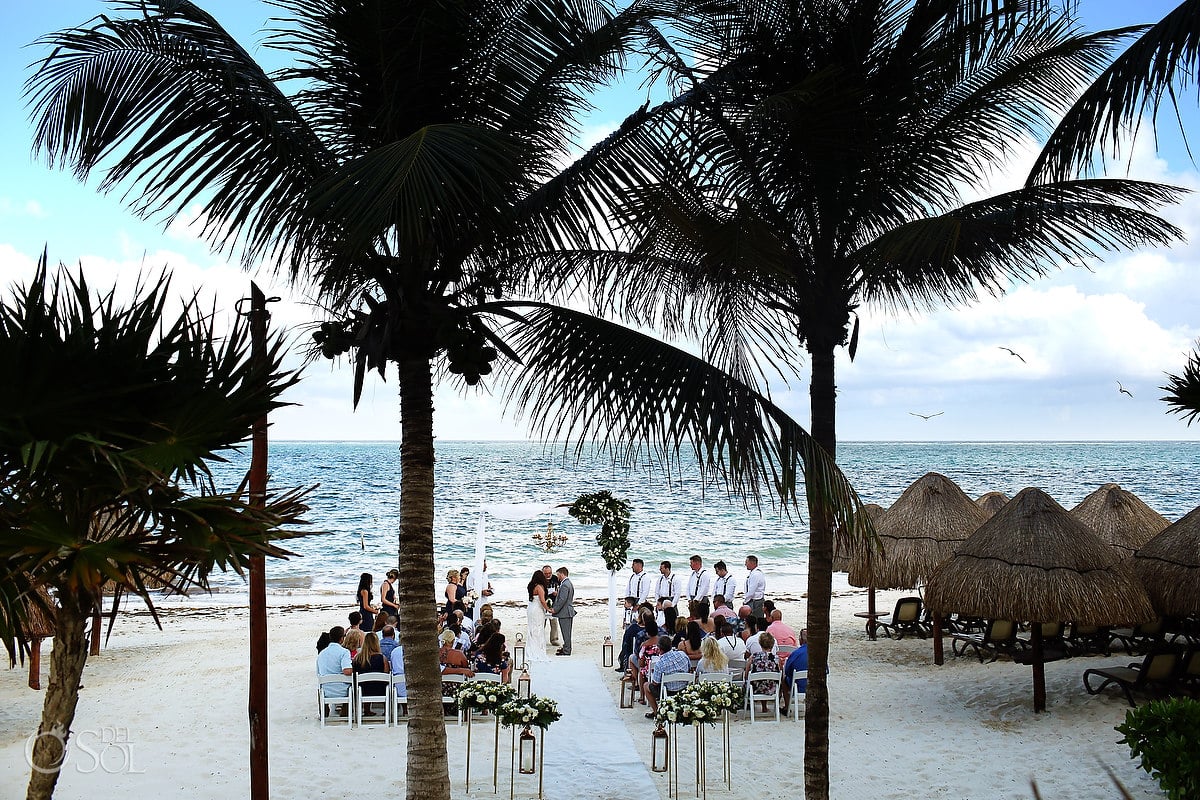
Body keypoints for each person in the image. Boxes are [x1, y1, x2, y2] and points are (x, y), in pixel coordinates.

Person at [646, 635, 691, 718]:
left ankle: (656, 712)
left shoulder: (660, 664)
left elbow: (655, 683)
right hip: (684, 689)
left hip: (669, 691)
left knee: (646, 685)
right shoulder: (683, 655)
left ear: (659, 649)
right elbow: (689, 669)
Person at [316, 626, 353, 710]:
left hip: (325, 690)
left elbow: (318, 673)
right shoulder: (344, 652)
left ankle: (324, 710)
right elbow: (347, 671)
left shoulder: (322, 654)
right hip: (342, 690)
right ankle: (346, 709)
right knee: (353, 683)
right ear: (341, 639)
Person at [353, 632, 389, 715]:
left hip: (363, 691)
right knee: (384, 683)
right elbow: (386, 674)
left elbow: (355, 674)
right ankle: (386, 709)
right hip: (380, 690)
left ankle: (367, 709)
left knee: (364, 683)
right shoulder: (382, 658)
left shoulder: (358, 658)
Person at [744, 632, 781, 711]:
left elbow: (746, 674)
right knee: (767, 680)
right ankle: (764, 707)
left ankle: (750, 705)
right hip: (773, 689)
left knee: (757, 681)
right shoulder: (777, 659)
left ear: (760, 643)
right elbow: (781, 674)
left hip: (755, 688)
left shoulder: (753, 657)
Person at [781, 629, 814, 715]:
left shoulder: (796, 653)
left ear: (800, 640)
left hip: (798, 685)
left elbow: (787, 671)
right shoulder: (817, 653)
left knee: (784, 679)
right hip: (814, 685)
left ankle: (787, 707)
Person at [524, 569, 553, 662]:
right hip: (537, 609)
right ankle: (537, 649)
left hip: (531, 607)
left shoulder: (531, 586)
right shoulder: (539, 587)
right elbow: (542, 600)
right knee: (538, 628)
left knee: (532, 628)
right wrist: (548, 609)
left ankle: (532, 647)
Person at [551, 567, 576, 656]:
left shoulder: (565, 584)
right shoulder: (567, 583)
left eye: (558, 575)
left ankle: (567, 650)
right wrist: (558, 594)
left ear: (562, 574)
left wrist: (555, 609)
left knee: (566, 632)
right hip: (567, 611)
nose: (557, 577)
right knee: (566, 632)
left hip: (565, 612)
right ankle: (566, 647)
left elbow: (562, 600)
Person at [655, 561, 681, 632]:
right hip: (661, 601)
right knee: (660, 619)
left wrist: (672, 605)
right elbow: (656, 591)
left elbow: (677, 593)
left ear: (667, 568)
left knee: (672, 620)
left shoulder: (675, 578)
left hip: (670, 601)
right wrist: (658, 602)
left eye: (661, 568)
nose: (660, 569)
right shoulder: (660, 579)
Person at [542, 564, 562, 646]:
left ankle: (554, 639)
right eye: (546, 574)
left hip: (553, 603)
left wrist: (557, 593)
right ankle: (540, 639)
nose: (548, 575)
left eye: (549, 573)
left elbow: (561, 588)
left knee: (554, 622)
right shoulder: (540, 579)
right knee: (541, 622)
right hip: (542, 603)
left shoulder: (555, 578)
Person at [743, 555, 766, 619]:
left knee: (754, 619)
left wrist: (745, 601)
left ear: (752, 563)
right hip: (755, 600)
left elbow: (751, 591)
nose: (745, 564)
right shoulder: (754, 573)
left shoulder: (755, 574)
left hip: (755, 601)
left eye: (746, 562)